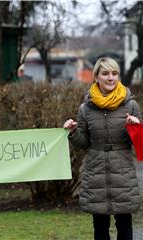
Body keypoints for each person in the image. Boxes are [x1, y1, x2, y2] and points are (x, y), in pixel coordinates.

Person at [63, 57, 141, 240]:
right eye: (105, 73)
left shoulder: (131, 105)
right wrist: (73, 131)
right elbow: (84, 143)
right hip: (96, 171)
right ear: (96, 77)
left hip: (122, 172)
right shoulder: (85, 109)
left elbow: (139, 146)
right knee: (100, 226)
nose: (110, 78)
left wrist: (136, 127)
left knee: (124, 224)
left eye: (114, 73)